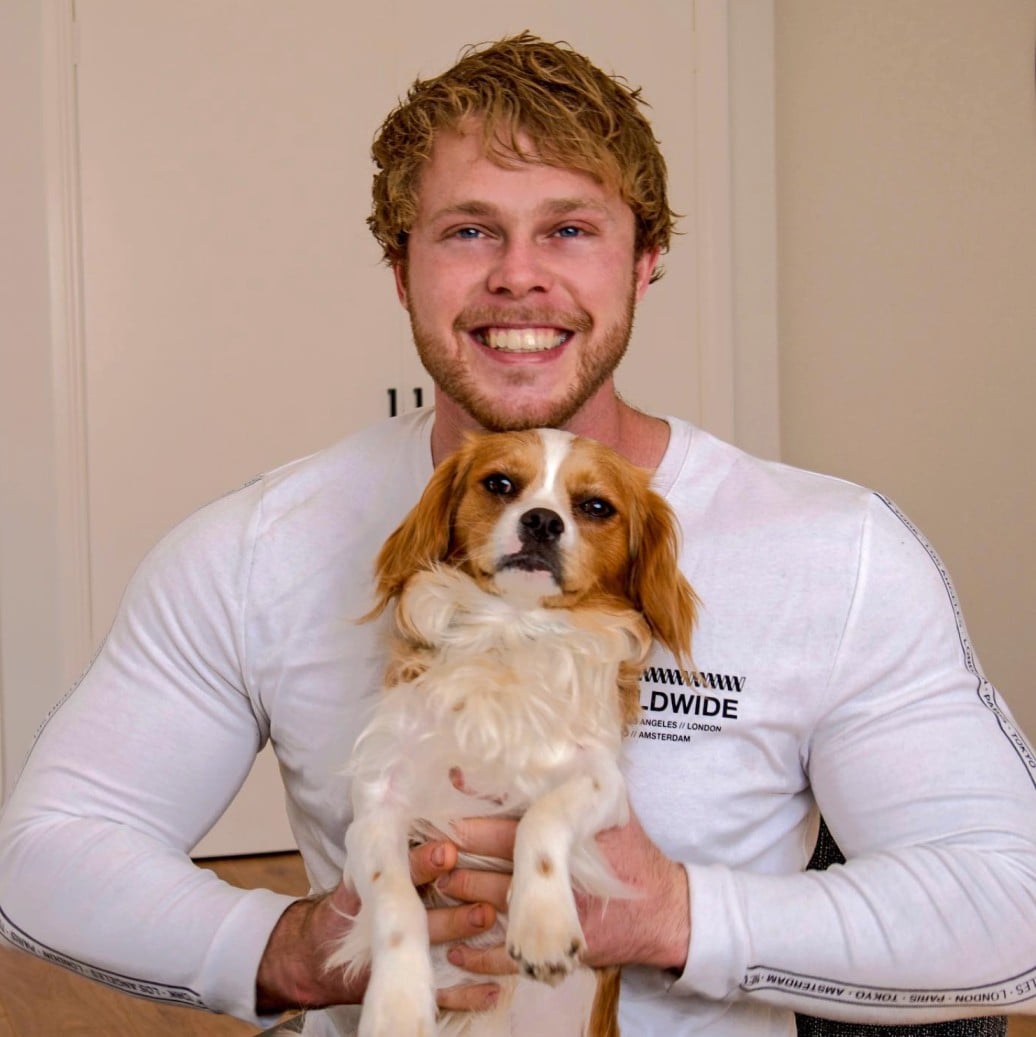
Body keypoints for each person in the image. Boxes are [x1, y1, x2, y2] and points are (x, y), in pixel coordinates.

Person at [1, 31, 1034, 1037]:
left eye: (570, 229)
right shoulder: (252, 546)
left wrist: (677, 912)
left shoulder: (833, 551)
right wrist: (278, 944)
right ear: (400, 269)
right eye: (467, 230)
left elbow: (1011, 899)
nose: (518, 276)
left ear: (646, 262)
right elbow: (45, 854)